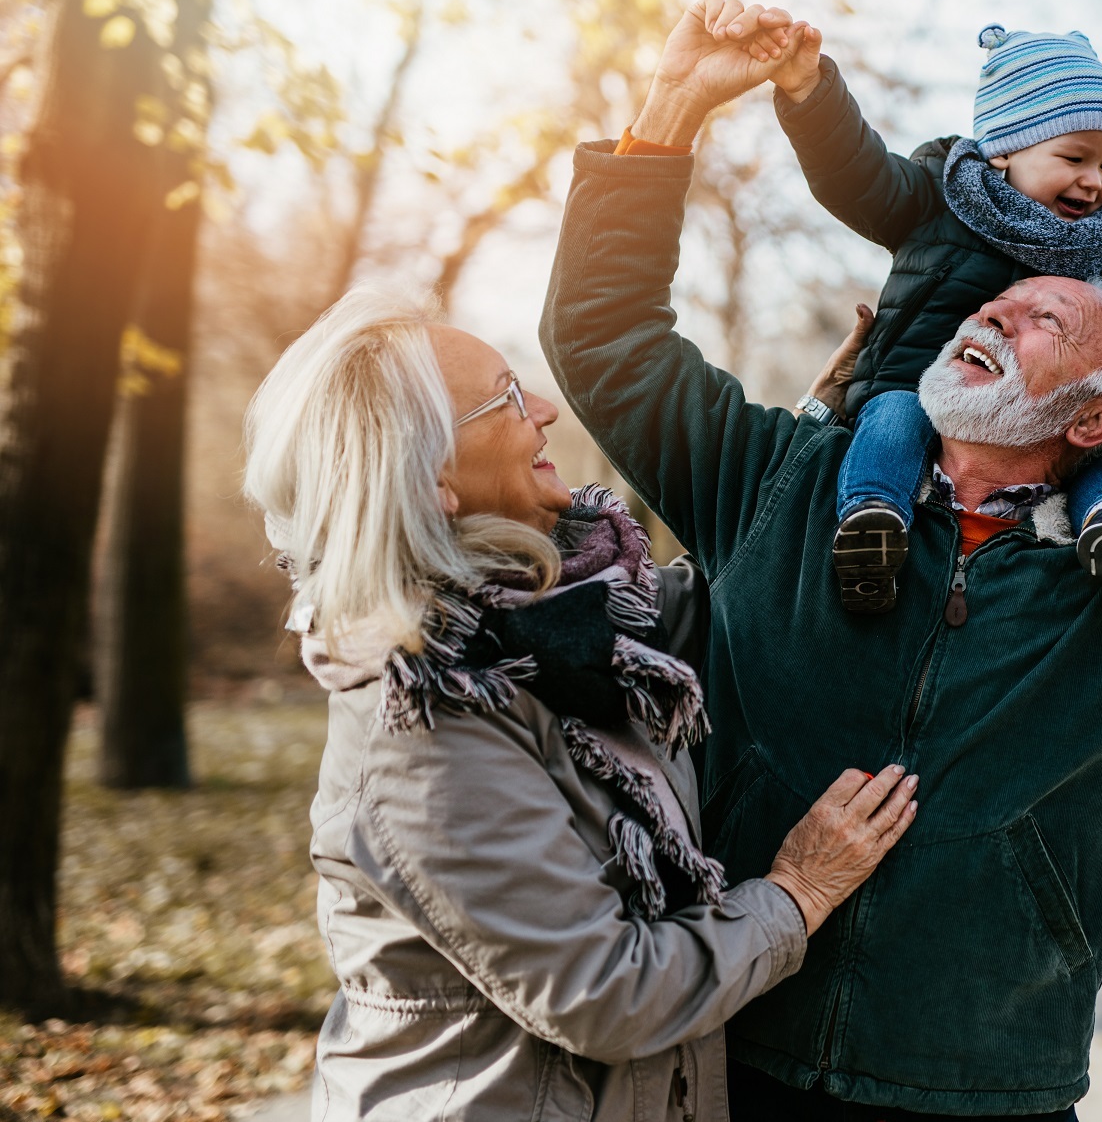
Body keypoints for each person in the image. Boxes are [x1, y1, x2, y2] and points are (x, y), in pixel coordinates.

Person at [542, 0, 1102, 1120]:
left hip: (986, 1087)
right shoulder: (782, 488)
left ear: (1091, 420)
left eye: (1043, 321)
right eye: (1000, 298)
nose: (991, 312)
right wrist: (673, 101)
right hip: (732, 1058)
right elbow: (604, 338)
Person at [242, 289, 915, 1121]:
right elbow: (606, 992)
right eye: (508, 398)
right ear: (433, 478)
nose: (547, 410)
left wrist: (816, 425)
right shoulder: (424, 714)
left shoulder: (561, 619)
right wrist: (797, 891)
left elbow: (735, 593)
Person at [738, 17, 1102, 610]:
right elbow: (854, 174)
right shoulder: (936, 197)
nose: (1095, 182)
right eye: (1075, 157)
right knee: (890, 418)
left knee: (1096, 454)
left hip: (1027, 423)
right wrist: (810, 92)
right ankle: (872, 521)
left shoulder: (1101, 238)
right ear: (1003, 148)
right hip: (910, 387)